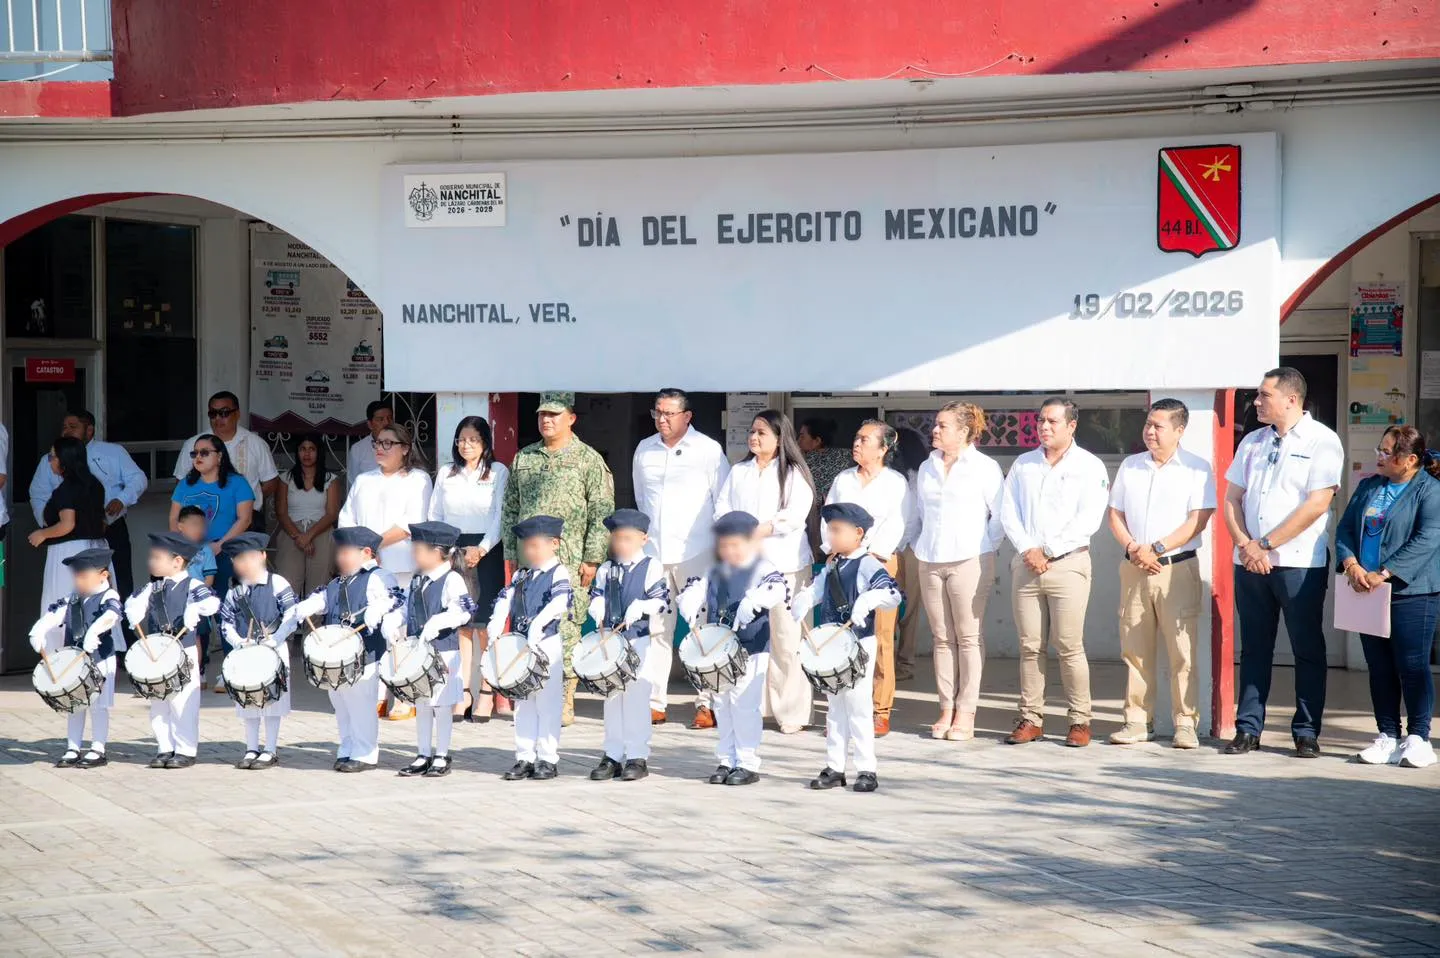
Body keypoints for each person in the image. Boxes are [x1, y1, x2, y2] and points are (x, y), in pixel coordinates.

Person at [1222, 367, 1344, 758]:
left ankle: (1306, 731)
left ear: (1291, 399)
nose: (1256, 402)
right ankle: (1247, 728)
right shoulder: (1252, 442)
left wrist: (1266, 544)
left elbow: (1317, 503)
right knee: (1255, 647)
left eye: (1263, 395)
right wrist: (1245, 545)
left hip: (1298, 564)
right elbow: (1232, 499)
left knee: (1306, 647)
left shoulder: (1322, 440)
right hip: (1250, 563)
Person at [500, 392, 615, 728]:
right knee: (528, 623)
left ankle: (564, 698)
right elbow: (510, 509)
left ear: (571, 418)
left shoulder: (588, 460)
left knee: (565, 627)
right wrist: (511, 554)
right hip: (529, 562)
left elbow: (601, 511)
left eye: (554, 414)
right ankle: (530, 690)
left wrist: (593, 558)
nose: (546, 420)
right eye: (541, 415)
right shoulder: (525, 458)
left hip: (570, 558)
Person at [1106, 398, 1216, 750]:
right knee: (1135, 649)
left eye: (1159, 426)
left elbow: (1198, 518)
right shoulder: (1131, 465)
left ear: (1179, 430)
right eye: (1148, 424)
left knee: (1182, 651)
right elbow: (1115, 514)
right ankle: (1138, 721)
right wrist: (1133, 549)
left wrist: (1157, 548)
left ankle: (1186, 723)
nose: (1150, 432)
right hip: (1134, 567)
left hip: (1176, 569)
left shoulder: (1197, 468)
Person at [1000, 397, 1110, 748]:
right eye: (1041, 421)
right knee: (1030, 646)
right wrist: (1028, 549)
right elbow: (1009, 512)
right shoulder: (1024, 464)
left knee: (1068, 645)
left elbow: (1088, 519)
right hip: (1027, 564)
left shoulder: (1089, 466)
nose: (1044, 427)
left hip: (1068, 564)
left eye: (1052, 422)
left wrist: (1047, 550)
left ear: (1071, 425)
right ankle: (1031, 718)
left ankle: (1080, 720)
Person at [1335, 426, 1440, 769]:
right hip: (1366, 589)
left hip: (1412, 591)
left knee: (1411, 666)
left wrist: (1384, 573)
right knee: (1379, 667)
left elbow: (1427, 540)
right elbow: (1346, 528)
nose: (1378, 456)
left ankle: (1419, 737)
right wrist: (1351, 565)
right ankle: (1387, 735)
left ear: (1410, 460)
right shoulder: (1370, 486)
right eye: (1379, 449)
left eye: (1386, 452)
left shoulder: (1429, 490)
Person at [631, 387, 730, 728]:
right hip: (656, 553)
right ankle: (655, 702)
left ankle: (706, 704)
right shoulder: (645, 450)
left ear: (687, 416)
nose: (662, 419)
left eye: (669, 413)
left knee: (701, 628)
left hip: (697, 552)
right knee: (657, 628)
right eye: (658, 412)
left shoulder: (708, 450)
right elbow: (643, 501)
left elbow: (723, 502)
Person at [716, 410, 816, 734]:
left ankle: (792, 711)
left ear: (778, 437)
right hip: (748, 567)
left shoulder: (793, 474)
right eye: (753, 432)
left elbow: (796, 515)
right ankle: (756, 705)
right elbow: (721, 507)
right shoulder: (739, 471)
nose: (754, 437)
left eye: (762, 432)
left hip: (786, 565)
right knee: (754, 638)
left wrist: (763, 528)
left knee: (787, 639)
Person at [676, 511, 791, 786]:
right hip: (718, 650)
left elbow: (778, 588)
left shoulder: (762, 567)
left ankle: (748, 762)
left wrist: (756, 599)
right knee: (722, 704)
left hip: (750, 647)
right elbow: (696, 588)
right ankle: (726, 759)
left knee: (744, 704)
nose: (729, 550)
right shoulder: (714, 570)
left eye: (736, 545)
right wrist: (689, 600)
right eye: (724, 545)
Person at [792, 503, 902, 793]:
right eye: (830, 529)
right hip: (832, 644)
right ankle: (835, 767)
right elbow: (818, 591)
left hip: (858, 644)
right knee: (835, 709)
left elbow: (892, 594)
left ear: (858, 533)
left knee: (859, 708)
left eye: (837, 530)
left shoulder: (868, 563)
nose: (831, 534)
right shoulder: (832, 564)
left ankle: (867, 769)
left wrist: (869, 600)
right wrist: (804, 599)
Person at [913, 402, 1005, 741]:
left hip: (970, 559)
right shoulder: (927, 467)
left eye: (942, 426)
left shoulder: (984, 467)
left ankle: (966, 712)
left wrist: (985, 547)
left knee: (968, 637)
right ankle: (945, 708)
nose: (935, 430)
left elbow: (1000, 516)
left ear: (964, 431)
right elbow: (920, 512)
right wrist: (916, 544)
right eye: (935, 425)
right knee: (941, 638)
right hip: (930, 558)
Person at [284, 526, 404, 773]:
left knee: (361, 703)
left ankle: (365, 752)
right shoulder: (337, 581)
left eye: (346, 552)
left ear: (366, 552)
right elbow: (324, 599)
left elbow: (395, 598)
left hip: (365, 654)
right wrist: (309, 606)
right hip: (336, 654)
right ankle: (347, 747)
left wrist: (378, 610)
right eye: (339, 552)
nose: (340, 557)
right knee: (340, 702)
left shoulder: (379, 577)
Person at [823, 419, 915, 737]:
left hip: (878, 562)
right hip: (842, 562)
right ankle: (844, 707)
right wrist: (834, 547)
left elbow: (901, 523)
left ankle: (879, 709)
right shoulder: (843, 480)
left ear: (884, 448)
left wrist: (872, 554)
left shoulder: (895, 483)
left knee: (879, 637)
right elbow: (828, 519)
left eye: (865, 440)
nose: (857, 444)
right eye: (856, 438)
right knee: (842, 634)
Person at [338, 422, 433, 721]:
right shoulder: (364, 480)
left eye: (388, 443)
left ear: (405, 449)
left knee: (400, 631)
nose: (380, 448)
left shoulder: (417, 479)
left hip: (401, 565)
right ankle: (377, 695)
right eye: (378, 443)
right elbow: (347, 518)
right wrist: (361, 550)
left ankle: (405, 695)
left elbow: (411, 522)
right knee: (371, 628)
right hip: (367, 567)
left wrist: (373, 543)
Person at [429, 416, 510, 722]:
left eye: (473, 440)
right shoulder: (447, 473)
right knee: (462, 624)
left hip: (486, 549)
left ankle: (487, 691)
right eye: (461, 439)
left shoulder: (498, 472)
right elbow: (435, 512)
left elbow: (500, 514)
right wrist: (448, 550)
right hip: (453, 549)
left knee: (486, 626)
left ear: (485, 443)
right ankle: (463, 691)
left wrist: (483, 548)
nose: (466, 445)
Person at [488, 515, 575, 781]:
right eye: (527, 546)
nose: (530, 551)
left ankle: (547, 758)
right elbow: (506, 598)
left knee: (547, 703)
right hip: (521, 644)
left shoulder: (558, 572)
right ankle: (524, 756)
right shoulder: (521, 574)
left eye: (536, 546)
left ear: (554, 544)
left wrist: (539, 623)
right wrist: (496, 621)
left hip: (547, 645)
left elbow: (560, 602)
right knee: (523, 703)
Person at [124, 532, 221, 769]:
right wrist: (133, 608)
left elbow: (212, 602)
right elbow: (132, 601)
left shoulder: (193, 585)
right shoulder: (153, 587)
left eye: (157, 557)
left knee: (182, 702)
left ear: (177, 561)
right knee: (159, 702)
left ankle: (186, 749)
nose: (152, 562)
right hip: (157, 650)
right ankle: (164, 747)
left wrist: (196, 609)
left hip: (183, 650)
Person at [586, 508, 669, 782]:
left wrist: (644, 606)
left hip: (638, 641)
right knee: (611, 699)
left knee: (635, 696)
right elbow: (596, 593)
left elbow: (661, 601)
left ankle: (637, 756)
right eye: (617, 539)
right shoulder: (607, 568)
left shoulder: (651, 566)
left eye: (627, 539)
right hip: (612, 640)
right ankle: (612, 755)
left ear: (643, 539)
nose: (620, 544)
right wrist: (596, 603)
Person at [29, 410, 147, 597]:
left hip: (109, 528)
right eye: (64, 427)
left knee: (117, 585)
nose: (66, 431)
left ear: (89, 430)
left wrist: (121, 499)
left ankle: (121, 625)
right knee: (69, 591)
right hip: (65, 536)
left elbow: (138, 478)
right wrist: (47, 523)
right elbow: (38, 493)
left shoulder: (112, 452)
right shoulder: (49, 460)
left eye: (73, 427)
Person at [28, 546, 125, 768]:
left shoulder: (108, 595)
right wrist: (39, 630)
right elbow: (54, 614)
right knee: (75, 704)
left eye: (84, 576)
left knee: (98, 705)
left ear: (103, 575)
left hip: (100, 659)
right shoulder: (72, 598)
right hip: (74, 660)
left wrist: (95, 631)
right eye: (76, 576)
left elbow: (112, 614)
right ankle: (73, 747)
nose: (78, 580)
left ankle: (98, 748)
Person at [171, 434, 254, 690]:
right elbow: (174, 521)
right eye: (194, 453)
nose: (198, 457)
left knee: (227, 609)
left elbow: (245, 518)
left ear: (219, 456)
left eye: (205, 453)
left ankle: (230, 668)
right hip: (193, 557)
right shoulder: (186, 484)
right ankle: (199, 667)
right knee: (195, 611)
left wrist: (220, 544)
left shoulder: (236, 483)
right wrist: (183, 551)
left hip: (226, 552)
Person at [395, 521, 475, 779]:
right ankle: (422, 753)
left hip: (444, 651)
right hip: (419, 653)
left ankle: (441, 753)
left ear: (436, 552)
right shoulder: (418, 579)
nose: (413, 554)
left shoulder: (451, 579)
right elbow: (405, 606)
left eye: (418, 549)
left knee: (441, 705)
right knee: (422, 703)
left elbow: (463, 611)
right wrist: (394, 620)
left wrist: (438, 622)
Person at [217, 533, 297, 770]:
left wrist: (277, 638)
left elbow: (292, 615)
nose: (245, 564)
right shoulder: (235, 592)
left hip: (273, 649)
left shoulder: (278, 583)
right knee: (247, 700)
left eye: (250, 558)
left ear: (262, 556)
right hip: (246, 651)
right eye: (239, 559)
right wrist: (238, 642)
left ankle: (270, 749)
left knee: (273, 701)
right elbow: (226, 622)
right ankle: (251, 747)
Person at [28, 436, 110, 615]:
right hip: (97, 547)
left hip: (69, 551)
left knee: (64, 604)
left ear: (64, 460)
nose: (50, 461)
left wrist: (42, 534)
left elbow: (67, 524)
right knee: (95, 603)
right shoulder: (95, 485)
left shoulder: (67, 489)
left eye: (53, 457)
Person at [175, 391, 279, 531]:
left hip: (247, 520)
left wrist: (246, 500)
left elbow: (271, 482)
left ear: (237, 414)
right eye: (213, 414)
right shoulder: (192, 444)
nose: (218, 418)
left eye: (224, 413)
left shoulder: (255, 443)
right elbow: (181, 483)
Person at [275, 435, 343, 599]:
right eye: (302, 449)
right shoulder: (286, 479)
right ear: (297, 453)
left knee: (318, 589)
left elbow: (332, 513)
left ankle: (314, 625)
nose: (307, 454)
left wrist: (308, 536)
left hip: (321, 532)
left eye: (312, 449)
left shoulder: (330, 480)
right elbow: (281, 513)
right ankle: (289, 624)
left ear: (319, 452)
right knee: (288, 587)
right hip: (292, 533)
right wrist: (299, 537)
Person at [891, 426, 930, 681]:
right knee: (886, 608)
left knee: (910, 609)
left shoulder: (921, 477)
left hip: (913, 547)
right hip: (888, 549)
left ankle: (905, 663)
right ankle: (885, 662)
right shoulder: (886, 476)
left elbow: (919, 516)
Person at [798, 417, 853, 501]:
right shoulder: (846, 455)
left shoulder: (806, 461)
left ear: (817, 441)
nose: (798, 440)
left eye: (802, 436)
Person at [347, 399, 394, 479]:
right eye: (381, 419)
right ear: (370, 425)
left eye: (389, 418)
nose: (386, 423)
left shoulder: (405, 445)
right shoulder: (358, 449)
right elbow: (354, 481)